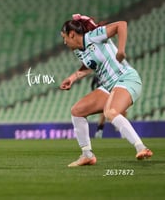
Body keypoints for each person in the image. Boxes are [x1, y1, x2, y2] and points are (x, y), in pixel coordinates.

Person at [59, 13, 153, 167]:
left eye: (65, 38)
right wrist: (72, 78)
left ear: (72, 34)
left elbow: (121, 24)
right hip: (108, 86)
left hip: (126, 79)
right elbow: (90, 65)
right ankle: (87, 155)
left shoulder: (93, 36)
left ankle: (141, 147)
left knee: (110, 112)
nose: (64, 42)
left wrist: (120, 50)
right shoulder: (78, 50)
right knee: (77, 111)